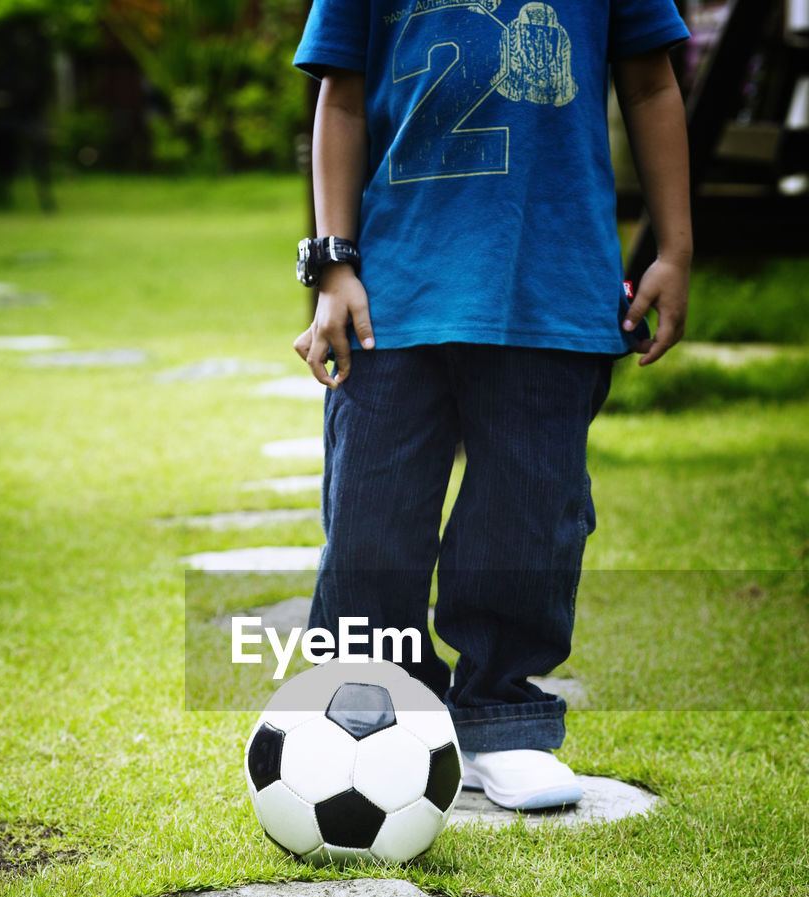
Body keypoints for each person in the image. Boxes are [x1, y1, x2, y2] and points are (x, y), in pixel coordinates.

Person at [292, 0, 692, 810]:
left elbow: (651, 84)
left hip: (552, 286)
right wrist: (332, 268)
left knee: (529, 511)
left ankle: (503, 717)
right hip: (393, 296)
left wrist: (675, 248)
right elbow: (339, 94)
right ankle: (379, 716)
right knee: (371, 519)